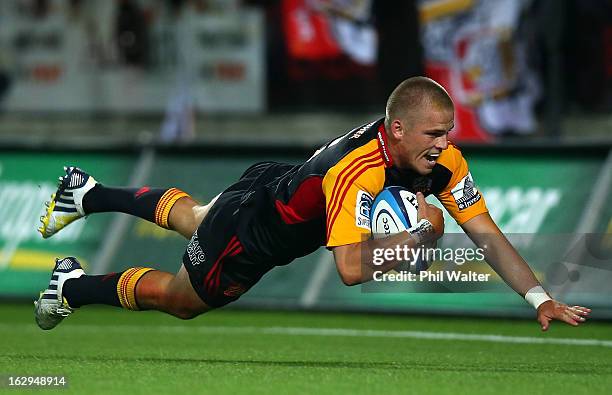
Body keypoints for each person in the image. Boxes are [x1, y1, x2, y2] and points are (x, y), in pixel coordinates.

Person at [34, 76, 590, 331]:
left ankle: (87, 193)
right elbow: (350, 270)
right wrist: (418, 240)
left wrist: (538, 297)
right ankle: (71, 286)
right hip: (257, 234)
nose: (444, 144)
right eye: (434, 134)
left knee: (199, 217)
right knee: (182, 299)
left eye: (448, 133)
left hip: (274, 186)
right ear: (396, 130)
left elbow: (485, 232)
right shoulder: (358, 173)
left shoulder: (440, 163)